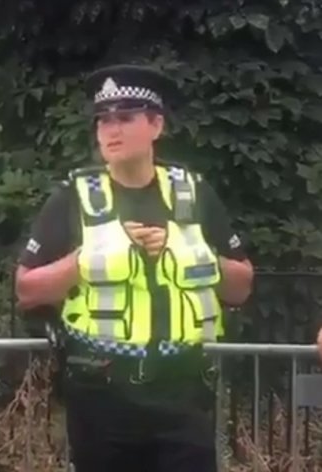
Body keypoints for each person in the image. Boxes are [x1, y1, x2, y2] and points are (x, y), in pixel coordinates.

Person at [14, 64, 254, 472]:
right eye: (103, 120)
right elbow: (26, 289)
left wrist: (197, 258)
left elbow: (242, 286)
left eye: (125, 118)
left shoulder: (193, 193)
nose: (111, 129)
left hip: (184, 389)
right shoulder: (73, 196)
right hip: (102, 392)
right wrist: (85, 260)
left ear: (156, 125)